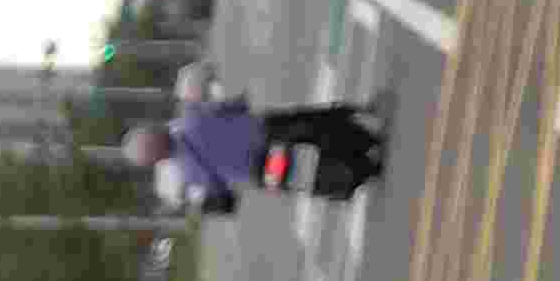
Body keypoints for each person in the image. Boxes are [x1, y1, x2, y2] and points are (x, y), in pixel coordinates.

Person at [122, 89, 389, 207]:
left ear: (156, 160)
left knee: (304, 182)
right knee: (314, 122)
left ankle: (361, 173)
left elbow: (219, 189)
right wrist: (239, 102)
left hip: (259, 172)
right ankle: (362, 129)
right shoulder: (190, 118)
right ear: (155, 131)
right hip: (266, 133)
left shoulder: (188, 174)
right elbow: (229, 108)